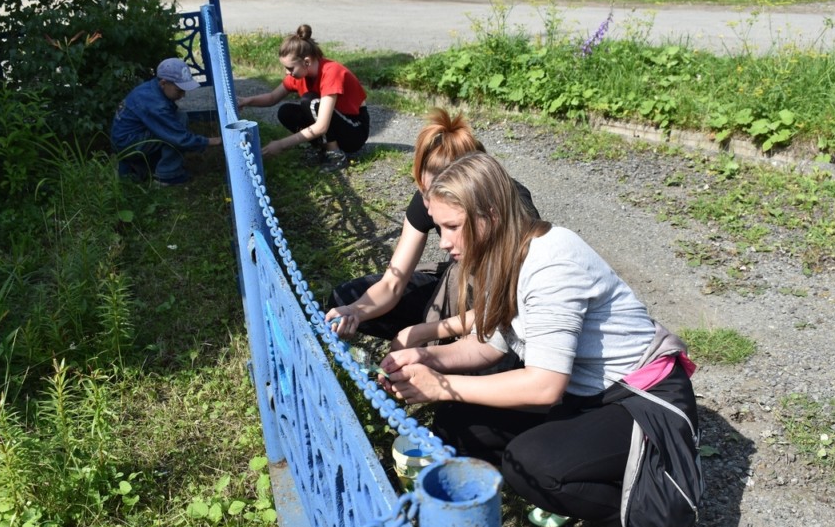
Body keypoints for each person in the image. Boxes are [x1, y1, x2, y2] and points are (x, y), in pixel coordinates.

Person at [377, 152, 699, 527]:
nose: (443, 241)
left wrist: (441, 384)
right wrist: (423, 357)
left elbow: (543, 385)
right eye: (438, 227)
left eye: (452, 226)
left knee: (532, 465)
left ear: (489, 215)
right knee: (458, 421)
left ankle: (649, 495)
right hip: (584, 394)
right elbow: (487, 347)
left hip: (640, 400)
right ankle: (589, 474)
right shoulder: (499, 255)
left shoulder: (552, 263)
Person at [324, 108, 538, 348]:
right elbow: (392, 282)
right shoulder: (428, 201)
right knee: (346, 297)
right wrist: (355, 311)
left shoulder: (513, 206)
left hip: (500, 304)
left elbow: (506, 307)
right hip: (461, 284)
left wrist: (422, 332)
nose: (428, 206)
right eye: (424, 191)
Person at [236, 24, 369, 172]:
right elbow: (272, 97)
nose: (287, 73)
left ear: (306, 62)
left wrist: (281, 145)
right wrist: (247, 101)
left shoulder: (331, 72)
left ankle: (335, 155)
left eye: (290, 68)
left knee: (310, 102)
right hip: (336, 124)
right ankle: (322, 150)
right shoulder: (300, 75)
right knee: (286, 111)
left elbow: (322, 126)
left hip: (354, 130)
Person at [111, 57, 222, 185]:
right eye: (179, 90)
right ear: (163, 83)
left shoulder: (151, 89)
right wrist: (213, 141)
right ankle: (167, 176)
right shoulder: (156, 105)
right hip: (128, 144)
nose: (183, 95)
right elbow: (179, 137)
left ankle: (142, 167)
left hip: (126, 140)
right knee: (178, 121)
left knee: (178, 117)